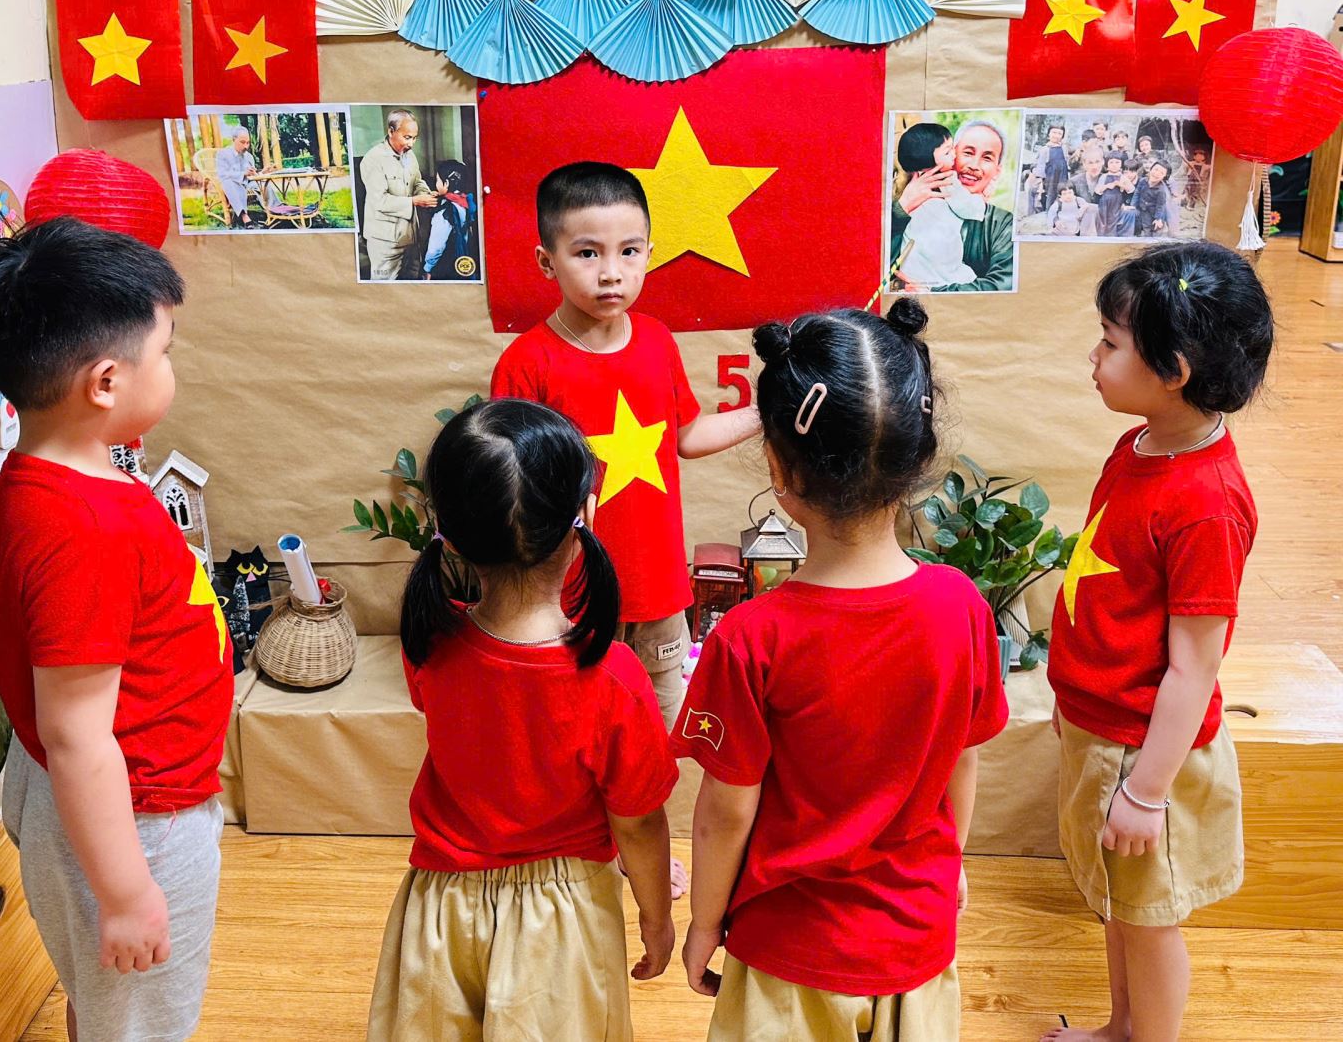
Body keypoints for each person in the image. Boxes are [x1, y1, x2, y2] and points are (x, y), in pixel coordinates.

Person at [678, 300, 1008, 1041]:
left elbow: (724, 811)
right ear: (918, 458)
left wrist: (703, 922)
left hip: (788, 951)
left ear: (778, 465)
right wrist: (949, 861)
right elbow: (963, 759)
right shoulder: (960, 605)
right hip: (915, 940)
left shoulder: (750, 637)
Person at [0, 218, 232, 1042]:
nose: (172, 368)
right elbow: (77, 734)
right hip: (134, 817)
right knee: (138, 1018)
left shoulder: (43, 476)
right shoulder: (85, 529)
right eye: (166, 352)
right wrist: (126, 891)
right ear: (106, 382)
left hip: (113, 793)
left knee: (111, 1002)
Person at [367, 399, 678, 1042]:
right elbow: (639, 821)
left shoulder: (429, 643)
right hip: (562, 920)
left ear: (445, 529)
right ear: (585, 514)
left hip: (440, 909)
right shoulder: (614, 678)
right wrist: (655, 917)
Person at [1043, 243, 1273, 1042]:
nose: (1094, 357)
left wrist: (1145, 791)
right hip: (1103, 729)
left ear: (1174, 370)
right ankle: (1122, 1027)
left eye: (1110, 343)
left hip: (1148, 754)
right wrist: (1075, 703)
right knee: (1121, 906)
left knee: (1149, 921)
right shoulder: (1139, 445)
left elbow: (1194, 666)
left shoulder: (1206, 502)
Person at [491, 162, 762, 733]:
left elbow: (688, 436)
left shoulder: (658, 341)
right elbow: (512, 492)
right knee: (574, 736)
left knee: (659, 737)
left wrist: (769, 413)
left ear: (649, 254)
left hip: (658, 593)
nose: (612, 273)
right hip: (566, 599)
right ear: (546, 261)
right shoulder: (526, 364)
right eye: (587, 253)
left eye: (630, 251)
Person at [890, 120, 1015, 291]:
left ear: (997, 171)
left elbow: (1001, 285)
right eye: (967, 153)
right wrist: (902, 209)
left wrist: (933, 293)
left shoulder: (1003, 223)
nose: (974, 166)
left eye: (987, 158)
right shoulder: (907, 200)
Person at [359, 110, 443, 280]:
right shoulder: (373, 160)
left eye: (414, 138)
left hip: (411, 237)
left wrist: (426, 194)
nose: (411, 144)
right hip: (385, 242)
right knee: (385, 287)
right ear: (391, 131)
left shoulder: (409, 155)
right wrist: (414, 201)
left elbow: (417, 181)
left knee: (412, 280)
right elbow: (380, 201)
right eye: (407, 137)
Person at [421, 158, 479, 281]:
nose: (436, 184)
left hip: (445, 265)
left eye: (438, 180)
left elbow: (436, 247)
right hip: (463, 259)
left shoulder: (444, 211)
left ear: (446, 183)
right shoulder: (465, 202)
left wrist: (427, 268)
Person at [215, 126, 256, 229]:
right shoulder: (223, 154)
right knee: (228, 182)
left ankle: (277, 209)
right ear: (234, 140)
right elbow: (222, 174)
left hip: (248, 183)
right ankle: (244, 215)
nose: (246, 146)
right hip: (231, 184)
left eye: (248, 143)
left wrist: (261, 172)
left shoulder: (249, 156)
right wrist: (243, 174)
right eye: (242, 142)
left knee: (263, 183)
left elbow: (251, 174)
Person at [1032, 124, 1072, 213]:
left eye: (1059, 134)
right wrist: (1041, 184)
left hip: (1062, 178)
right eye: (1054, 132)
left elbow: (1066, 162)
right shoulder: (1045, 149)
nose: (1056, 136)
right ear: (1049, 134)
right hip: (1050, 179)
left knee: (1063, 197)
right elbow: (1041, 168)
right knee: (1050, 198)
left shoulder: (1064, 148)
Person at [1134, 160, 1175, 237]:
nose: (1157, 173)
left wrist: (1158, 218)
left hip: (1155, 213)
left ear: (1164, 177)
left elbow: (1161, 206)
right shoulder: (1143, 181)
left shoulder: (1161, 191)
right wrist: (1133, 205)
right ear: (1151, 169)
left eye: (1161, 173)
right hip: (1143, 210)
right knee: (1145, 227)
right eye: (1156, 169)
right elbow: (1137, 193)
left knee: (1155, 230)